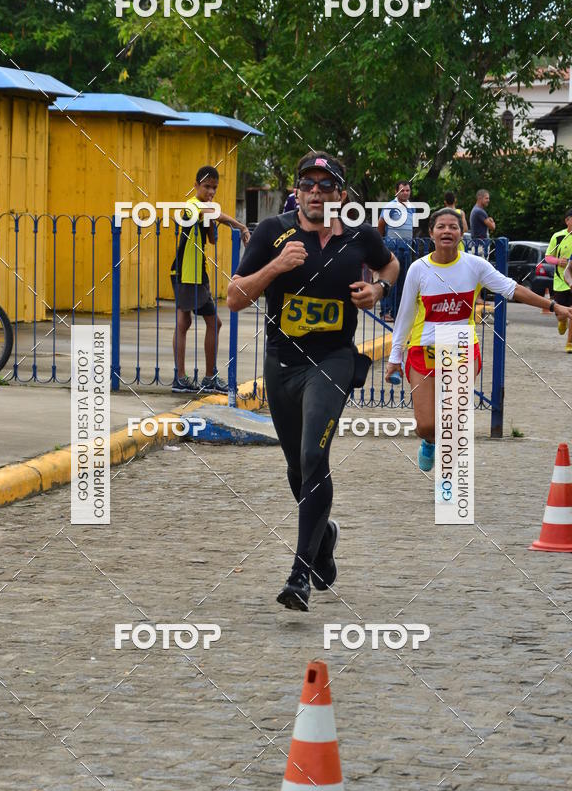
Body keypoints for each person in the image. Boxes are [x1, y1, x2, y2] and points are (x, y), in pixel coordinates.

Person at [227, 151, 399, 611]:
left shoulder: (361, 236)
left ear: (341, 194)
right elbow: (233, 298)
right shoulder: (273, 232)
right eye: (308, 184)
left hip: (333, 361)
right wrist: (276, 267)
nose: (316, 193)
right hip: (282, 364)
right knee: (297, 469)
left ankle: (299, 574)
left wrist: (378, 290)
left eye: (326, 186)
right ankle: (323, 540)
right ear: (297, 191)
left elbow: (390, 266)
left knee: (313, 455)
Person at [385, 207, 572, 471]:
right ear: (431, 233)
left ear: (462, 233)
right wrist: (395, 357)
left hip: (460, 346)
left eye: (453, 227)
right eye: (441, 227)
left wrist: (553, 306)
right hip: (423, 349)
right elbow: (405, 314)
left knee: (452, 419)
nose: (447, 231)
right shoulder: (419, 268)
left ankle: (450, 474)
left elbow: (512, 289)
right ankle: (429, 441)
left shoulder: (475, 265)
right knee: (426, 425)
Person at [172, 165, 250, 393]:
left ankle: (192, 378)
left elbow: (212, 239)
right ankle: (199, 377)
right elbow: (215, 215)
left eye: (214, 188)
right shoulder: (191, 205)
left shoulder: (204, 210)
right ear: (196, 185)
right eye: (207, 187)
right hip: (188, 274)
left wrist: (210, 222)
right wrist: (240, 226)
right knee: (208, 323)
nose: (211, 192)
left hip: (196, 273)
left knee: (188, 323)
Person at [378, 179, 415, 321]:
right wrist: (382, 244)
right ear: (396, 192)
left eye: (407, 190)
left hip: (407, 247)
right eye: (402, 190)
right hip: (393, 247)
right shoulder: (391, 206)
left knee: (403, 281)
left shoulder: (411, 207)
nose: (405, 193)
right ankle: (385, 311)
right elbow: (381, 225)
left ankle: (397, 311)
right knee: (390, 279)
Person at [546, 207, 572, 353]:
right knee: (562, 314)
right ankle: (562, 321)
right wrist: (558, 261)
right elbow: (548, 257)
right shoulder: (558, 236)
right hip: (561, 281)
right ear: (567, 220)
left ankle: (570, 342)